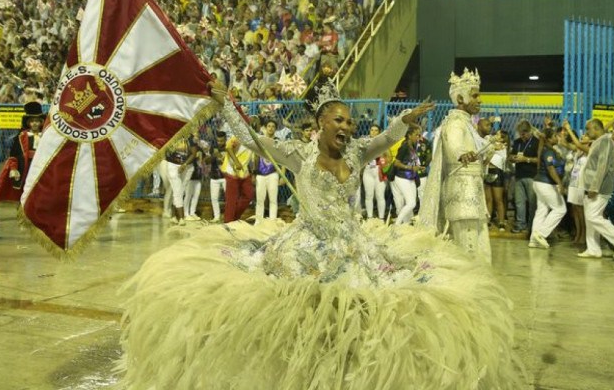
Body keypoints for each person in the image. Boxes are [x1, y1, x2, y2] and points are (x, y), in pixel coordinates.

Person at [119, 81, 522, 389]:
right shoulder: (298, 153)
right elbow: (252, 140)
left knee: (364, 306)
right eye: (339, 120)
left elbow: (385, 139)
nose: (347, 126)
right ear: (320, 125)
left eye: (350, 120)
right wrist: (225, 104)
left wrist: (405, 121)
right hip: (305, 244)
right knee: (296, 310)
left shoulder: (357, 151)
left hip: (352, 244)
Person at [419, 69, 491, 262]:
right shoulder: (455, 123)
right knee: (467, 251)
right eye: (475, 95)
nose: (480, 100)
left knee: (476, 247)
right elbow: (455, 143)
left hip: (472, 196)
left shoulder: (467, 124)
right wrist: (461, 154)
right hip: (462, 197)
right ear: (460, 99)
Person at [575, 119, 614, 260]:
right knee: (590, 218)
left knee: (593, 216)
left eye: (588, 129)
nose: (586, 132)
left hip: (599, 188)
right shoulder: (601, 142)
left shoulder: (605, 142)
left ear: (596, 128)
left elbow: (602, 166)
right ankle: (593, 249)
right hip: (591, 187)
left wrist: (594, 187)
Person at [0, 102, 45, 203]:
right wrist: (13, 168)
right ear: (28, 123)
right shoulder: (21, 136)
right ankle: (23, 210)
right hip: (26, 167)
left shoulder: (45, 136)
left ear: (41, 122)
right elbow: (14, 154)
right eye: (32, 121)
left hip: (41, 166)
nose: (34, 123)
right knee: (26, 188)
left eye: (37, 121)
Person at [529, 127, 567, 249]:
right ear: (550, 139)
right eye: (555, 136)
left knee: (542, 210)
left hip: (541, 184)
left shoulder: (549, 149)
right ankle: (540, 234)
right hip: (545, 184)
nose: (558, 138)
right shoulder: (548, 152)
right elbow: (551, 169)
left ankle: (533, 241)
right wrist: (560, 183)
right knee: (560, 209)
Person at [510, 120, 539, 233]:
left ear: (529, 131)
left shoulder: (536, 142)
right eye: (521, 133)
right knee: (519, 202)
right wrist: (512, 158)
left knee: (532, 203)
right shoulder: (517, 142)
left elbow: (539, 160)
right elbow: (511, 155)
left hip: (532, 176)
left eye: (525, 133)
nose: (523, 136)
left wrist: (526, 159)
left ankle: (532, 226)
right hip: (519, 175)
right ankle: (520, 224)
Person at [391, 125, 424, 225]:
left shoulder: (413, 145)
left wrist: (418, 167)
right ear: (409, 135)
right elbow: (396, 163)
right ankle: (397, 224)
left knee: (411, 204)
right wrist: (411, 168)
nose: (418, 137)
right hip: (402, 177)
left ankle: (406, 225)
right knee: (411, 203)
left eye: (419, 134)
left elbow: (411, 161)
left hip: (411, 177)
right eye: (416, 135)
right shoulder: (404, 146)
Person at [253, 119, 281, 223]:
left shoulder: (278, 142)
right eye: (269, 126)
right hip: (260, 173)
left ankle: (272, 222)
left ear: (276, 129)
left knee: (273, 199)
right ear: (265, 128)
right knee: (260, 199)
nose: (271, 128)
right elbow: (256, 156)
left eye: (273, 126)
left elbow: (282, 159)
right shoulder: (260, 140)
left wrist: (282, 175)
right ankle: (258, 221)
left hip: (273, 173)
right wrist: (254, 173)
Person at [362, 123, 389, 220]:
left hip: (379, 170)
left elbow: (388, 156)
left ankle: (381, 218)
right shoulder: (365, 142)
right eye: (371, 130)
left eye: (376, 130)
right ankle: (369, 217)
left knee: (379, 195)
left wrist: (381, 155)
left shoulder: (383, 142)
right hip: (368, 170)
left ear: (379, 132)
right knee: (369, 195)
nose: (373, 132)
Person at [206, 131, 228, 222]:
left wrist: (220, 156)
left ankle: (229, 216)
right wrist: (213, 156)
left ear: (225, 139)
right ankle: (216, 217)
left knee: (229, 198)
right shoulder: (213, 148)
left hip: (226, 176)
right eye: (218, 141)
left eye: (222, 141)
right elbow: (207, 161)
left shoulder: (229, 148)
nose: (219, 143)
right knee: (214, 198)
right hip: (214, 176)